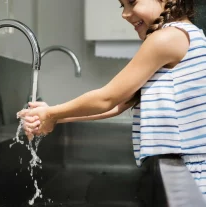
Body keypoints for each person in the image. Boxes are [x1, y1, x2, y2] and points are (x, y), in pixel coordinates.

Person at [18, 0, 206, 202]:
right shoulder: (183, 35)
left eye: (132, 2)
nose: (125, 14)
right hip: (188, 171)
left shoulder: (167, 38)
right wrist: (54, 117)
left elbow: (107, 98)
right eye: (122, 6)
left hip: (194, 176)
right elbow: (117, 106)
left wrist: (51, 114)